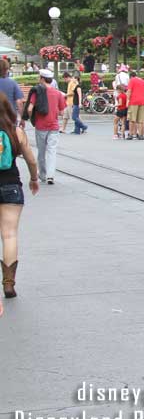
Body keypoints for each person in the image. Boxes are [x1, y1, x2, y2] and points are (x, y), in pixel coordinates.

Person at [0, 91, 40, 308]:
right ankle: (8, 283)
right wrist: (34, 179)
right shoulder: (16, 132)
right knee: (9, 234)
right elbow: (31, 161)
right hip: (10, 185)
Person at [27, 69, 66, 185]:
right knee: (52, 151)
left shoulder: (37, 92)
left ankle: (43, 175)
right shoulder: (58, 93)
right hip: (53, 126)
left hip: (40, 126)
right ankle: (50, 176)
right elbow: (62, 112)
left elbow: (29, 109)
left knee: (41, 151)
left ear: (42, 79)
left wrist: (32, 119)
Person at [125, 70, 144, 140]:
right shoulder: (143, 81)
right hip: (142, 101)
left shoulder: (132, 80)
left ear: (131, 76)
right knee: (141, 120)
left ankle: (130, 134)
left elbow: (129, 91)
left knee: (132, 119)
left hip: (133, 101)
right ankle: (141, 135)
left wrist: (127, 100)